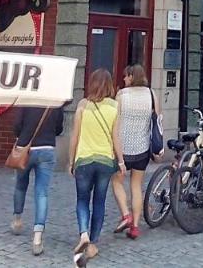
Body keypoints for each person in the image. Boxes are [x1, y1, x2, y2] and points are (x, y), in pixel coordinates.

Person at [68, 69, 126, 266]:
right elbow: (115, 138)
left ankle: (83, 234)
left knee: (82, 199)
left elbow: (74, 137)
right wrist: (121, 161)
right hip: (104, 161)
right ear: (110, 84)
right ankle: (93, 243)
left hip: (84, 160)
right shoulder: (114, 107)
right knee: (99, 202)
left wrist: (71, 161)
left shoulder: (83, 106)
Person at [111, 64, 161, 239]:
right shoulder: (151, 94)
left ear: (132, 76)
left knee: (117, 182)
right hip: (142, 149)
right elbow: (157, 121)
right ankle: (135, 226)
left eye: (126, 76)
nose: (124, 79)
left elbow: (114, 123)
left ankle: (126, 215)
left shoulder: (121, 96)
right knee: (136, 186)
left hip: (122, 150)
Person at [9, 102, 65, 255]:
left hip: (26, 147)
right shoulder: (56, 102)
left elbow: (16, 125)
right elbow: (59, 129)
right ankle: (38, 237)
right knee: (42, 193)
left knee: (20, 185)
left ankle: (17, 220)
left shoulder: (30, 98)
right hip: (47, 149)